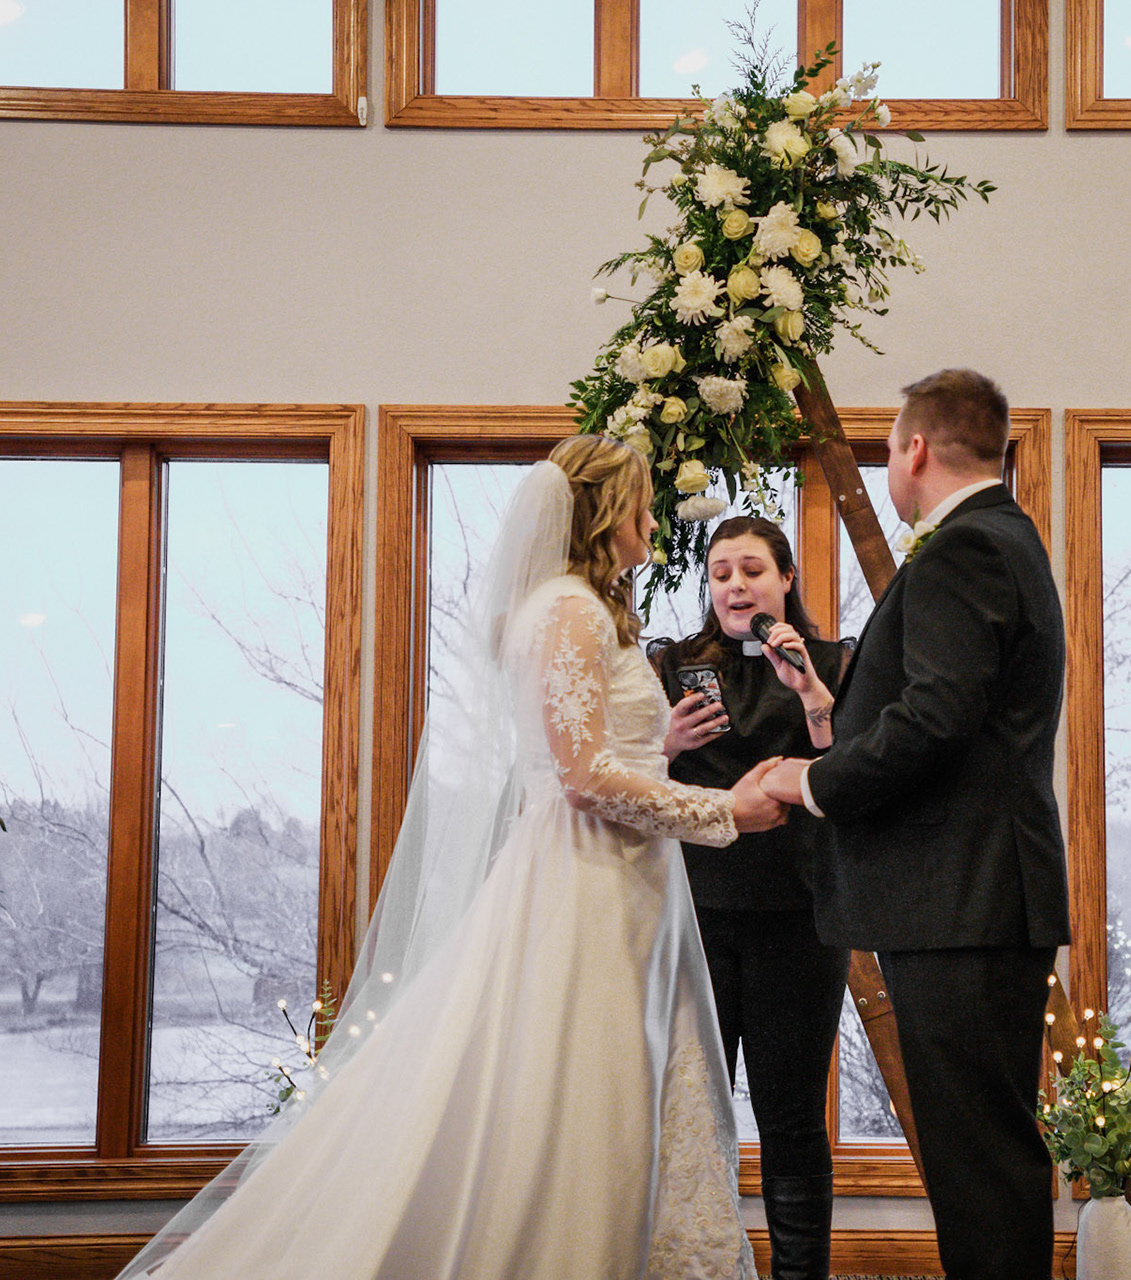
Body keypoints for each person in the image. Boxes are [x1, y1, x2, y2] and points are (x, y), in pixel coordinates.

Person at [118, 436, 785, 1279]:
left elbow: (605, 759)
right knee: (584, 1089)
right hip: (588, 880)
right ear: (605, 513)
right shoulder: (571, 611)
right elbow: (583, 778)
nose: (653, 524)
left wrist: (674, 769)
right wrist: (725, 811)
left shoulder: (568, 606)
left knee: (595, 1085)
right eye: (643, 507)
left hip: (619, 875)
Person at [760, 369, 1070, 1280]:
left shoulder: (965, 549)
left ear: (917, 449)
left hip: (960, 901)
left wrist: (814, 781)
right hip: (971, 897)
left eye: (889, 447)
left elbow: (935, 717)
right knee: (985, 1156)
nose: (889, 464)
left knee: (979, 1165)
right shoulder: (1004, 537)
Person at [650, 517, 849, 1280]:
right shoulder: (673, 666)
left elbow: (853, 770)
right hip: (695, 920)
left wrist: (812, 693)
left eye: (753, 570)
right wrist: (665, 744)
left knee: (791, 1117)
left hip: (800, 921)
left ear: (786, 579)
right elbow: (623, 783)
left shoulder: (832, 662)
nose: (736, 586)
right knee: (692, 1117)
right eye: (721, 573)